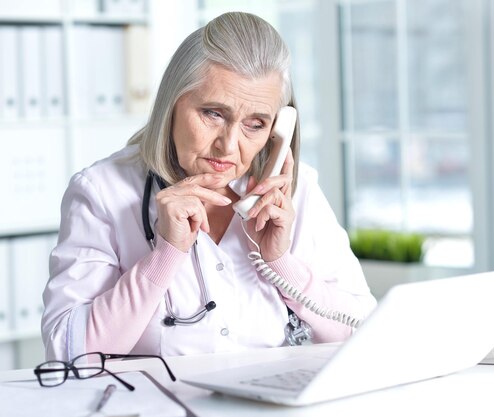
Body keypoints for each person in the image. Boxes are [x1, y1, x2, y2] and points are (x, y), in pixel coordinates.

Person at [42, 12, 377, 361]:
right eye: (213, 114)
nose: (229, 146)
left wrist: (280, 262)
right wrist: (165, 255)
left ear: (279, 128)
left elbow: (364, 330)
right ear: (172, 104)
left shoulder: (298, 191)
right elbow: (67, 351)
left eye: (255, 124)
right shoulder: (102, 192)